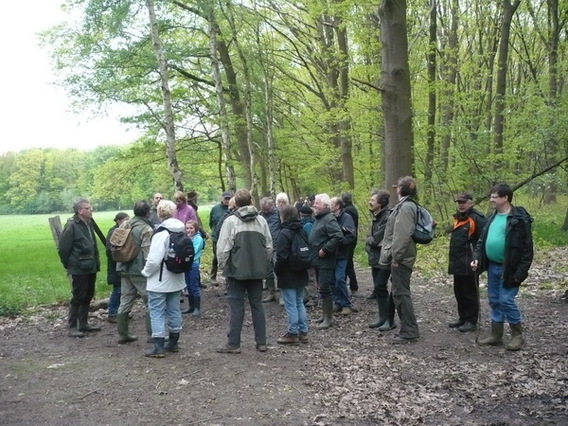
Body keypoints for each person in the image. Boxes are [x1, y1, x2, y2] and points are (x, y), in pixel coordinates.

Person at [471, 183, 533, 351]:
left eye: (494, 196)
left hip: (510, 269)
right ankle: (496, 335)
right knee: (494, 300)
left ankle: (517, 335)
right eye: (491, 196)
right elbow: (481, 241)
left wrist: (520, 274)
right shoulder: (491, 217)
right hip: (492, 266)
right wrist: (476, 258)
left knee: (506, 300)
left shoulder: (519, 220)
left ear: (505, 198)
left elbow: (527, 250)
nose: (491, 199)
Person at [216, 189, 273, 354]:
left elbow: (223, 249)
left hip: (236, 271)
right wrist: (264, 264)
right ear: (250, 202)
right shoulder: (261, 221)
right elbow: (269, 247)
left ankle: (234, 343)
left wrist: (223, 266)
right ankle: (261, 342)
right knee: (257, 305)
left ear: (236, 203)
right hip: (257, 271)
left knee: (236, 306)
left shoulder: (230, 222)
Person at [141, 200, 186, 357]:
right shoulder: (181, 230)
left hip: (160, 281)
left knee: (157, 311)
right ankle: (173, 342)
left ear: (159, 213)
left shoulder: (161, 233)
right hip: (177, 278)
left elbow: (154, 260)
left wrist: (145, 272)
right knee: (174, 309)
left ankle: (159, 347)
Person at [379, 176, 420, 344]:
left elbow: (402, 235)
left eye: (397, 187)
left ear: (400, 189)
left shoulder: (406, 208)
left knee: (401, 293)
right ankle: (408, 329)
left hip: (401, 258)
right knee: (399, 292)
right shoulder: (407, 206)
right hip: (402, 256)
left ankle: (409, 330)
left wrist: (396, 256)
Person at [58, 198, 102, 338]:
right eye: (88, 208)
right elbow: (64, 249)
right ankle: (72, 327)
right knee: (78, 297)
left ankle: (83, 323)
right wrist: (70, 265)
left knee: (88, 295)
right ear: (80, 211)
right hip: (78, 267)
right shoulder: (71, 226)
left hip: (90, 266)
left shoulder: (88, 224)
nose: (91, 210)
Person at [115, 201, 154, 344]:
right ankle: (152, 335)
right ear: (147, 213)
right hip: (139, 270)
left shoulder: (124, 224)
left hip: (124, 267)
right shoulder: (146, 229)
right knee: (151, 301)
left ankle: (123, 334)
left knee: (125, 301)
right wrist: (150, 270)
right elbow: (147, 253)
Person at [448, 192, 486, 333]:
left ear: (471, 202)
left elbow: (482, 241)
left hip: (470, 262)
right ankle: (462, 317)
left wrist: (477, 259)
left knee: (469, 292)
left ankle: (471, 320)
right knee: (459, 291)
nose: (461, 205)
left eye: (463, 202)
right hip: (457, 261)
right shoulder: (458, 218)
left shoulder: (477, 218)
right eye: (459, 202)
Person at [274, 205, 309, 345]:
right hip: (301, 270)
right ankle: (303, 331)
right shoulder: (302, 230)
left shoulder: (284, 233)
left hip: (288, 273)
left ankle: (292, 333)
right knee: (299, 302)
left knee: (290, 305)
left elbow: (281, 257)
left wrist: (277, 270)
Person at [309, 193, 343, 330]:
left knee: (325, 288)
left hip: (325, 260)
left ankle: (329, 318)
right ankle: (324, 315)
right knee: (321, 288)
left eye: (317, 203)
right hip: (317, 260)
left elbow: (338, 235)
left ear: (324, 205)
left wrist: (325, 249)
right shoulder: (319, 218)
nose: (314, 205)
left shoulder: (329, 219)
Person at [365, 190, 397, 331]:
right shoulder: (376, 216)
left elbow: (377, 239)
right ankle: (382, 318)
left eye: (373, 200)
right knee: (379, 289)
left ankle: (389, 320)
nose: (370, 202)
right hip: (375, 258)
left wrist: (369, 241)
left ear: (381, 203)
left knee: (380, 286)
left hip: (384, 258)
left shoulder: (387, 217)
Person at [329, 197, 357, 315]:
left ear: (338, 206)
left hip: (342, 254)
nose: (330, 205)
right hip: (331, 253)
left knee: (340, 278)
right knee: (332, 279)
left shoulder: (347, 218)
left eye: (332, 204)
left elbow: (351, 235)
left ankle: (346, 304)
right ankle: (337, 302)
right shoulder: (330, 218)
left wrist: (339, 242)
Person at [105, 212, 129, 323]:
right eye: (125, 219)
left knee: (123, 290)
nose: (128, 222)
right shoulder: (114, 232)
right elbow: (110, 251)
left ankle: (121, 312)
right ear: (119, 221)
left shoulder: (123, 231)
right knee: (118, 290)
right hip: (115, 266)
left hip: (122, 265)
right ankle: (112, 313)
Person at [259, 197, 281, 303]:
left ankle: (282, 294)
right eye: (264, 209)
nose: (265, 211)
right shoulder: (259, 215)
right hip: (265, 247)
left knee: (279, 270)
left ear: (272, 206)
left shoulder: (278, 214)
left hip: (277, 245)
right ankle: (271, 293)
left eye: (267, 209)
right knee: (267, 271)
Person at [209, 191, 232, 284]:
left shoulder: (233, 209)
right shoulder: (215, 209)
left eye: (229, 198)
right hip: (216, 237)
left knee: (229, 256)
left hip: (229, 237)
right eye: (226, 198)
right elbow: (211, 222)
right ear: (222, 198)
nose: (227, 200)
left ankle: (227, 277)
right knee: (216, 257)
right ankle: (213, 276)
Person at [182, 219, 205, 316]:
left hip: (194, 264)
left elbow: (193, 251)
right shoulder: (186, 237)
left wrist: (188, 242)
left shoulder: (198, 239)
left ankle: (197, 308)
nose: (189, 230)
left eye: (191, 228)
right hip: (186, 264)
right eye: (187, 228)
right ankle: (190, 306)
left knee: (194, 285)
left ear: (195, 228)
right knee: (188, 285)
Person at [342, 192, 359, 294]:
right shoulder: (353, 209)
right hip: (353, 238)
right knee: (349, 263)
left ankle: (353, 286)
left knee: (348, 263)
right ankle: (353, 285)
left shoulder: (347, 211)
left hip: (349, 239)